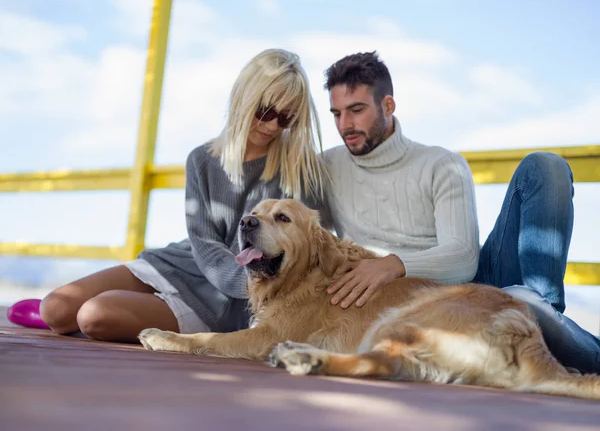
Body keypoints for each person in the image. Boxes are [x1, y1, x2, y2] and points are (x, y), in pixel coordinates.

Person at [320, 51, 600, 374]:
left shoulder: (441, 164)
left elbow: (463, 258)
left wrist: (392, 264)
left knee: (545, 167)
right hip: (413, 310)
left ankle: (546, 326)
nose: (345, 125)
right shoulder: (327, 167)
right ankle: (547, 333)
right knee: (523, 302)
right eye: (336, 114)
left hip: (468, 288)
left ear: (387, 106)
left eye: (356, 110)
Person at [39, 48, 328, 343]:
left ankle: (131, 315)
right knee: (55, 309)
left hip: (227, 302)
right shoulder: (201, 159)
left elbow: (306, 253)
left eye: (286, 118)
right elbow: (204, 244)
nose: (272, 126)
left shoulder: (300, 170)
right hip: (187, 263)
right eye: (265, 112)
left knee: (95, 315)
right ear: (244, 97)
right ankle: (125, 310)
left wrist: (258, 293)